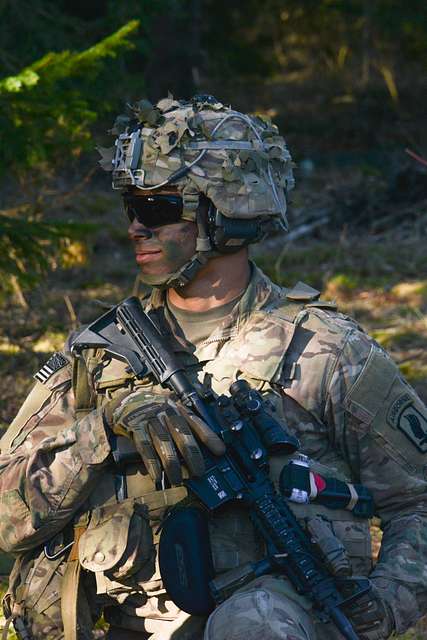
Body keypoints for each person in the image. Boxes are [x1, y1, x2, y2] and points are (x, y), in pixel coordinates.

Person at [1, 93, 427, 640]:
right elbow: (8, 517)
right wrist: (102, 431)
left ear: (225, 212)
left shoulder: (325, 351)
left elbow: (417, 499)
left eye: (155, 209)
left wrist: (388, 602)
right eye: (131, 209)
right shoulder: (103, 355)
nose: (136, 228)